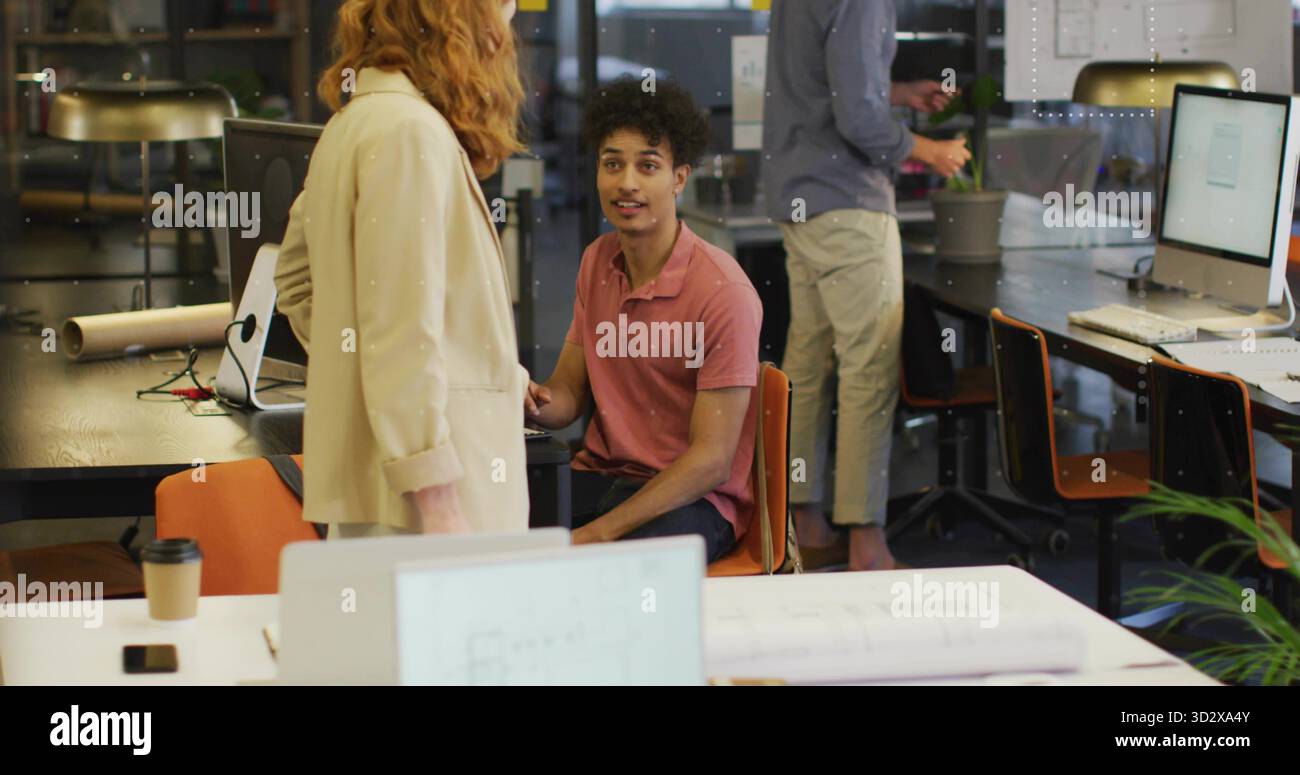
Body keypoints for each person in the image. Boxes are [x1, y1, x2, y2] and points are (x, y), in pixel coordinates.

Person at [273, 0, 530, 538]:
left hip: (391, 485)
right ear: (457, 21)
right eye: (502, 9)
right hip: (437, 501)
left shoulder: (353, 122)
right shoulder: (410, 133)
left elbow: (296, 279)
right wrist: (438, 499)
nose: (507, 28)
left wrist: (359, 368)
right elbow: (401, 330)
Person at [762, 0, 970, 570]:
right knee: (869, 369)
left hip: (799, 196)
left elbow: (821, 84)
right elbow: (858, 120)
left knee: (808, 362)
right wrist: (929, 150)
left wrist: (898, 93)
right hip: (847, 203)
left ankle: (802, 520)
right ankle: (867, 543)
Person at [526, 77, 763, 563]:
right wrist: (520, 398)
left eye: (647, 166)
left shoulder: (724, 291)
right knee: (495, 525)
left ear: (679, 178)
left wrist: (598, 534)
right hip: (604, 477)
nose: (626, 182)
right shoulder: (597, 260)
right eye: (612, 164)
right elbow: (567, 398)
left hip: (693, 500)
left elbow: (712, 462)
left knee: (618, 568)